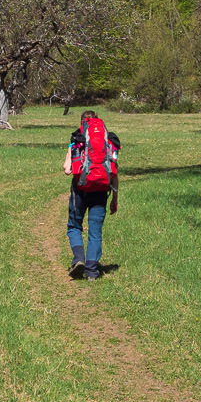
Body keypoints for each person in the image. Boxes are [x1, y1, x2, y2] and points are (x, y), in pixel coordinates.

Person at [64, 109, 119, 280]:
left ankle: (79, 258)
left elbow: (67, 169)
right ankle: (92, 272)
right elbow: (114, 172)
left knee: (74, 226)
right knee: (95, 231)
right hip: (101, 190)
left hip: (80, 190)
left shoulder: (76, 139)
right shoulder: (108, 141)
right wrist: (115, 198)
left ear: (82, 123)